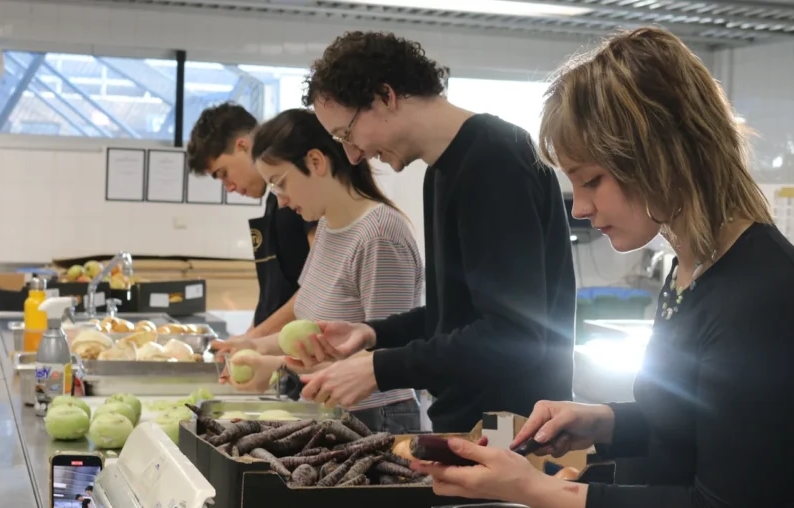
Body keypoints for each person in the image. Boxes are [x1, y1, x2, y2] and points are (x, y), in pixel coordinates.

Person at [411, 27, 794, 508]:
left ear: (660, 156)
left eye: (592, 180)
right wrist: (604, 421)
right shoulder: (692, 271)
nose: (580, 208)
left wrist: (540, 490)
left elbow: (725, 502)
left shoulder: (758, 294)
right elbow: (693, 426)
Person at [290, 31, 578, 433]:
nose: (352, 154)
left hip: (512, 431)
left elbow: (514, 337)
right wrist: (374, 333)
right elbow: (457, 314)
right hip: (469, 424)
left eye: (346, 133)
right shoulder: (441, 171)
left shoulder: (496, 160)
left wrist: (379, 369)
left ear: (385, 96)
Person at [215, 108, 424, 433]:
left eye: (280, 183)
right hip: (330, 413)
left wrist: (274, 367)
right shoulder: (328, 226)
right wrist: (255, 346)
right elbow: (305, 317)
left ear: (316, 162)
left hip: (376, 421)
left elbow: (379, 360)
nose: (281, 201)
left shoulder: (380, 236)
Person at [187, 102, 317, 346]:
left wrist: (254, 338)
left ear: (243, 146)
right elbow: (275, 294)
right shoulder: (273, 201)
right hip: (279, 352)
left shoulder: (302, 198)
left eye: (224, 173)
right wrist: (249, 336)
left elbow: (319, 286)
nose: (229, 187)